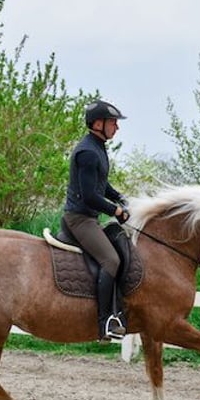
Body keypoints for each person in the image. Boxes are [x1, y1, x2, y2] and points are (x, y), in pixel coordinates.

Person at [62, 99, 130, 341]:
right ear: (98, 123)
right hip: (80, 219)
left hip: (88, 217)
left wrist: (121, 197)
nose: (117, 128)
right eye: (113, 123)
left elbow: (102, 184)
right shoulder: (88, 152)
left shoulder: (98, 147)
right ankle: (106, 323)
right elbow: (90, 196)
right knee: (111, 260)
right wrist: (116, 211)